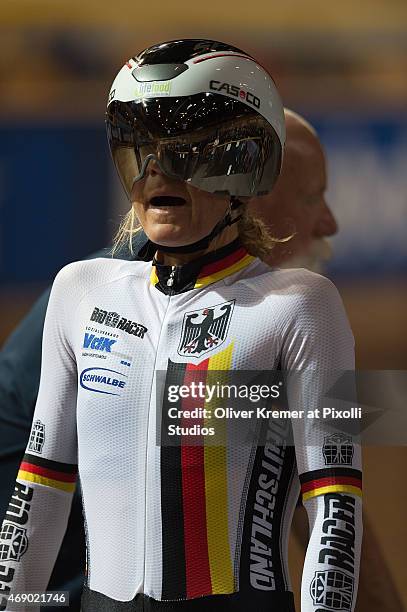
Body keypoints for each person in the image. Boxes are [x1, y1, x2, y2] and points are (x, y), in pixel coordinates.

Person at [0, 39, 362, 611]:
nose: (157, 172)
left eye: (189, 152)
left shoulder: (302, 304)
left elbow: (334, 502)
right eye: (139, 149)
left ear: (250, 166)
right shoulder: (79, 290)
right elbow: (39, 488)